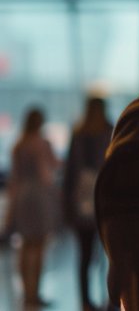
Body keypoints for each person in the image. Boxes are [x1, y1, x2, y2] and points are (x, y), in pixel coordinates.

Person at [63, 96, 113, 311]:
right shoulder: (109, 130)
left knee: (83, 256)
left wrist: (67, 204)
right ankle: (109, 298)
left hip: (81, 200)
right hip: (104, 199)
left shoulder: (79, 132)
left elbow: (70, 171)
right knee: (109, 254)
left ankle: (85, 301)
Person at [9, 107, 59, 309]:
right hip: (38, 197)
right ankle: (35, 292)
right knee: (38, 246)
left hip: (21, 197)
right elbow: (48, 171)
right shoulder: (42, 144)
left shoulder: (19, 145)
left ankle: (25, 292)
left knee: (25, 245)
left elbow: (15, 177)